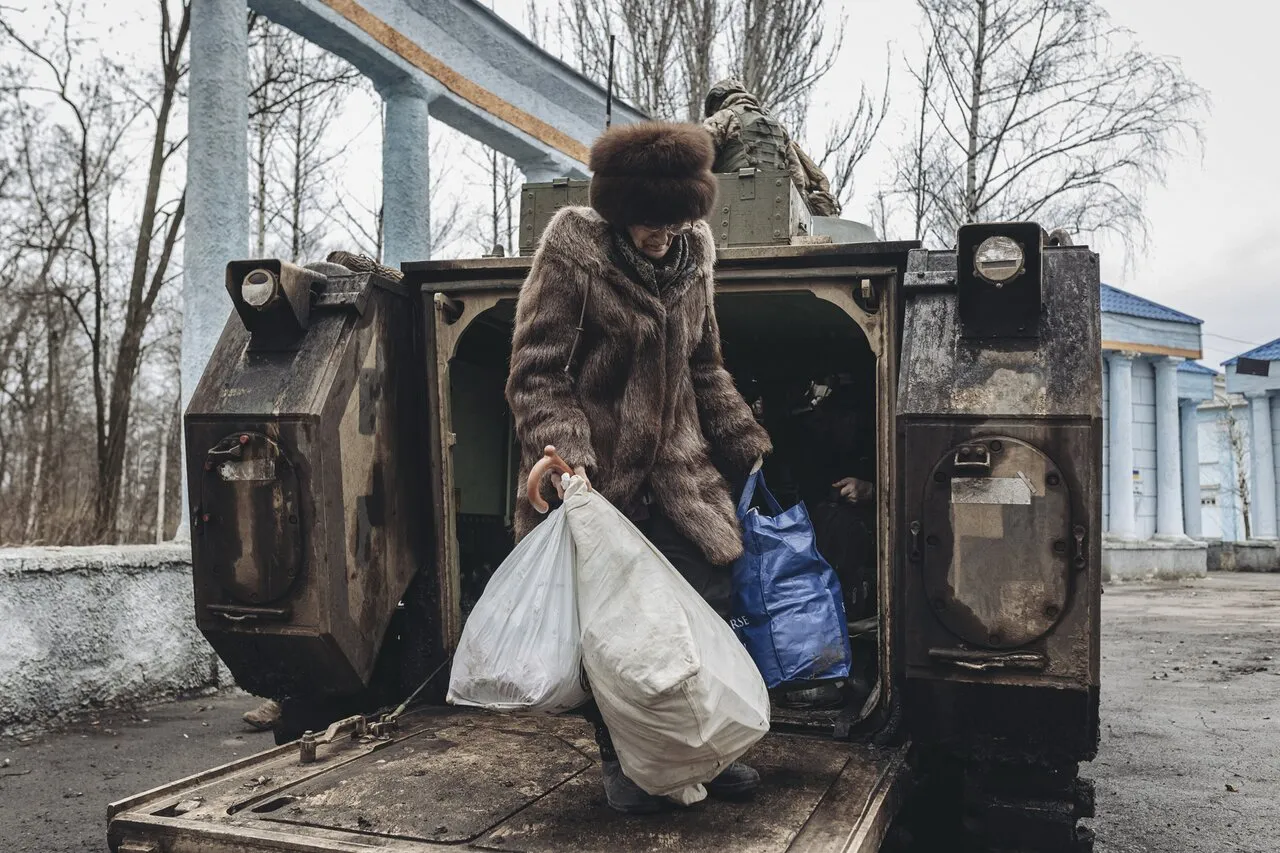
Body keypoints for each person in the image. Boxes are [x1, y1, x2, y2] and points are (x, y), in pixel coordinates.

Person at [505, 121, 773, 814]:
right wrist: (572, 462)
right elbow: (537, 371)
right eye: (646, 223)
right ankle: (624, 759)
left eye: (675, 220)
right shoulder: (573, 246)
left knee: (705, 601)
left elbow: (704, 363)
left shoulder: (698, 252)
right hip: (595, 478)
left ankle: (701, 754)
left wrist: (747, 443)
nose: (661, 235)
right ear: (617, 211)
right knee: (614, 631)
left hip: (682, 473)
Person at [702, 78, 842, 216]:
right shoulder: (775, 123)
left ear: (717, 101)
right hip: (775, 202)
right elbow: (795, 173)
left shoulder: (724, 116)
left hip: (732, 201)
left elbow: (701, 152)